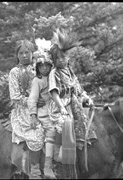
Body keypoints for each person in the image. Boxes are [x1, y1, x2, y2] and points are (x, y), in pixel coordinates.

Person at [48, 28, 97, 177]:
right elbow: (54, 93)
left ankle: (83, 146)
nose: (62, 60)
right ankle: (57, 159)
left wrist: (86, 98)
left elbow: (78, 89)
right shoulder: (54, 73)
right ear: (54, 61)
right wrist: (61, 106)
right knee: (65, 126)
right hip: (59, 106)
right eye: (58, 58)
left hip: (73, 103)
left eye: (64, 57)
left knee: (88, 118)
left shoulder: (70, 71)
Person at [28, 41, 56, 179]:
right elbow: (32, 98)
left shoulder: (55, 78)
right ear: (37, 67)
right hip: (43, 111)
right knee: (46, 132)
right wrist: (33, 115)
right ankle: (44, 167)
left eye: (47, 65)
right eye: (41, 66)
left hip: (56, 109)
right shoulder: (37, 81)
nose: (44, 68)